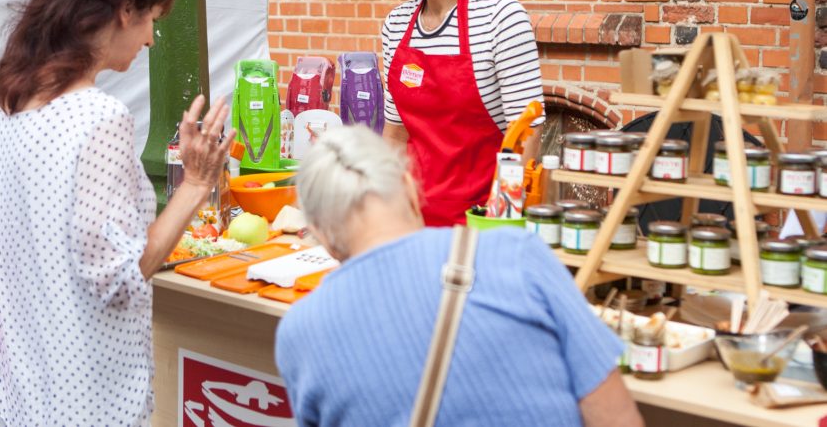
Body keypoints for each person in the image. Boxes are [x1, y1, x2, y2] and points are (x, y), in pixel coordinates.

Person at [0, 0, 235, 426]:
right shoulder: (97, 117)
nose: (151, 38)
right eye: (152, 19)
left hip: (11, 379)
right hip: (82, 391)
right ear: (125, 10)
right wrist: (195, 184)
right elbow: (121, 277)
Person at [275, 126, 643, 427]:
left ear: (320, 232)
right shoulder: (518, 255)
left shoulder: (299, 332)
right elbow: (616, 417)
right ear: (408, 185)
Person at [379, 0, 545, 227]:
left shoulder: (501, 15)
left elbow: (526, 134)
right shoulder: (396, 25)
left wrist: (500, 221)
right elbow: (396, 136)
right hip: (411, 221)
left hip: (481, 218)